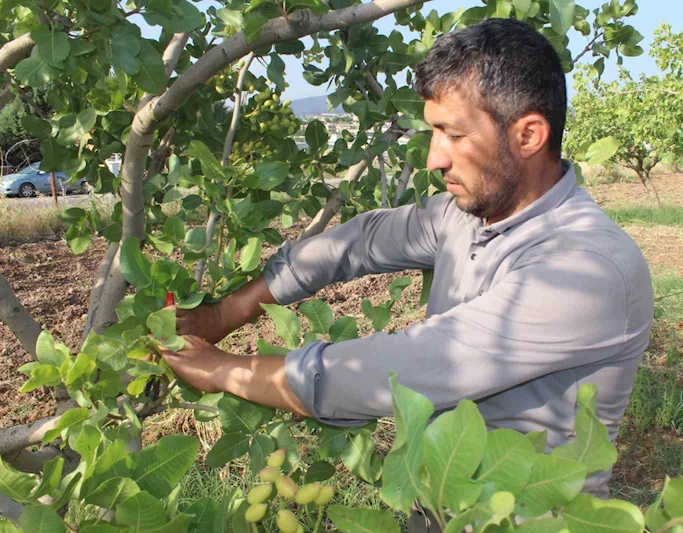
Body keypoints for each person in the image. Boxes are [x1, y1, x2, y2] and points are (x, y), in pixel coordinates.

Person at [160, 18, 653, 531]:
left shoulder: (587, 270)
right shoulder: (465, 214)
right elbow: (356, 243)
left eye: (453, 134)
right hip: (438, 508)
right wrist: (225, 312)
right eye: (433, 130)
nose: (434, 157)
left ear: (528, 135)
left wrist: (224, 371)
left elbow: (408, 369)